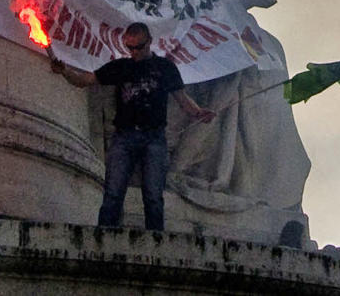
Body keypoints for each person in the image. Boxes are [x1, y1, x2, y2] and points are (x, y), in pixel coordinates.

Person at [50, 22, 216, 230]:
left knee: (153, 196)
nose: (135, 52)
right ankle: (103, 237)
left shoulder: (165, 68)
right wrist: (65, 71)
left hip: (154, 138)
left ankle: (156, 243)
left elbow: (182, 99)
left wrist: (199, 113)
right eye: (130, 48)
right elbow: (85, 80)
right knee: (113, 192)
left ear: (149, 42)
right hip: (124, 137)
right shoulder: (122, 67)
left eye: (139, 47)